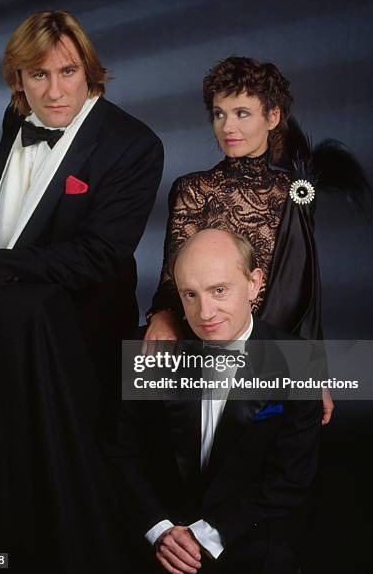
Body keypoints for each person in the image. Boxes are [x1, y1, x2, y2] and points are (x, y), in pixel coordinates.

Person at [0, 9, 163, 388]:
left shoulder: (134, 145)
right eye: (39, 75)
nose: (54, 92)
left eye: (68, 72)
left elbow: (99, 257)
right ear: (18, 79)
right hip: (9, 323)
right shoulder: (16, 119)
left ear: (88, 72)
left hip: (82, 343)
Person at [104, 228, 322, 573]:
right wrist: (159, 530)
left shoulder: (300, 361)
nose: (205, 312)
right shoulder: (149, 352)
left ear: (254, 283)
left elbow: (289, 480)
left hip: (250, 541)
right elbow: (121, 454)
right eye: (190, 295)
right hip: (159, 541)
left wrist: (203, 536)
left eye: (219, 290)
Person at [144, 55, 334, 423]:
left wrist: (315, 371)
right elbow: (174, 275)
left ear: (273, 117)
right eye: (219, 114)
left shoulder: (294, 193)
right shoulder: (194, 189)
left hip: (266, 349)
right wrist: (163, 315)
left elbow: (305, 294)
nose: (228, 126)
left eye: (242, 113)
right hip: (201, 336)